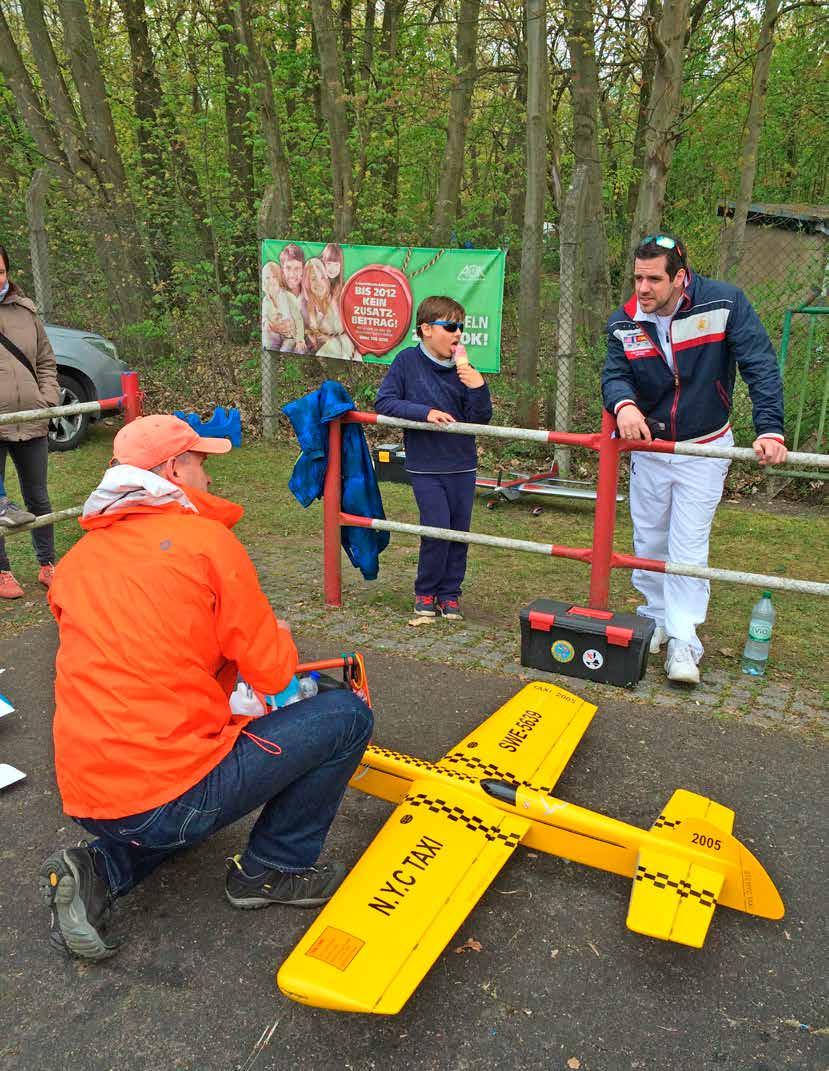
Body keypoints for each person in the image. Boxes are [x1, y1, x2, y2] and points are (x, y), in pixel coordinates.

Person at [40, 414, 373, 961]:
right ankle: (273, 869)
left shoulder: (76, 563)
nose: (209, 477)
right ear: (173, 469)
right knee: (345, 715)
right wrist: (280, 641)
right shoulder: (206, 542)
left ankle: (100, 865)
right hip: (167, 790)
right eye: (201, 463)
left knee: (165, 809)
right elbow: (272, 676)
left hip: (90, 791)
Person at [601, 234, 787, 685]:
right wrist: (624, 405)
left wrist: (770, 428)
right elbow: (614, 374)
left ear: (680, 278)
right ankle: (656, 619)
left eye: (653, 279)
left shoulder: (725, 303)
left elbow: (759, 363)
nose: (642, 288)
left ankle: (685, 641)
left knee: (687, 545)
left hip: (705, 446)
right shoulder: (625, 319)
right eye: (637, 277)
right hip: (651, 448)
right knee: (648, 541)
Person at [375, 295, 492, 621]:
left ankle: (450, 594)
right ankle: (425, 592)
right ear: (426, 329)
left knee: (458, 534)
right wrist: (423, 413)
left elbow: (480, 419)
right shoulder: (407, 362)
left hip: (462, 465)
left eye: (462, 328)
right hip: (426, 465)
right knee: (437, 530)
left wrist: (478, 387)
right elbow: (384, 402)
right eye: (450, 326)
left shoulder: (465, 370)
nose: (458, 334)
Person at [0, 243, 59, 597]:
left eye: (1, 272)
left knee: (38, 496)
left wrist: (47, 400)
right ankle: (2, 572)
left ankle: (47, 563)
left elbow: (46, 363)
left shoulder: (26, 312)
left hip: (32, 421)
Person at [301, 257, 356, 360]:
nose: (319, 283)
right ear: (307, 283)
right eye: (313, 279)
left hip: (347, 351)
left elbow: (352, 331)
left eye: (321, 277)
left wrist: (328, 339)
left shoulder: (337, 297)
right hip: (326, 355)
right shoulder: (307, 305)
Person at [261, 260, 305, 353]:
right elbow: (264, 319)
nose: (271, 280)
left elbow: (298, 319)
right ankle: (270, 355)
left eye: (274, 277)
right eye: (267, 278)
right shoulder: (266, 301)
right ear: (264, 280)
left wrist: (300, 339)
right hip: (275, 334)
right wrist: (270, 325)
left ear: (279, 278)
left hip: (290, 336)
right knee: (267, 341)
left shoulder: (287, 296)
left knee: (285, 350)